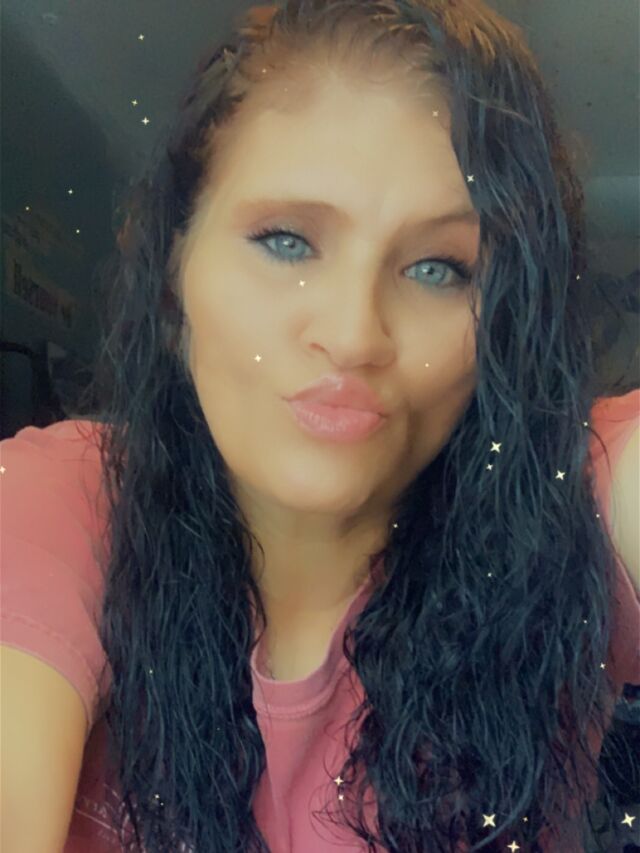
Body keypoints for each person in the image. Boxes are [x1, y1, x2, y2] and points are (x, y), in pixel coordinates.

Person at [1, 1, 639, 851]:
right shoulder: (67, 497)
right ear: (172, 277)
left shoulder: (562, 517)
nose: (354, 332)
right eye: (287, 242)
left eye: (438, 268)